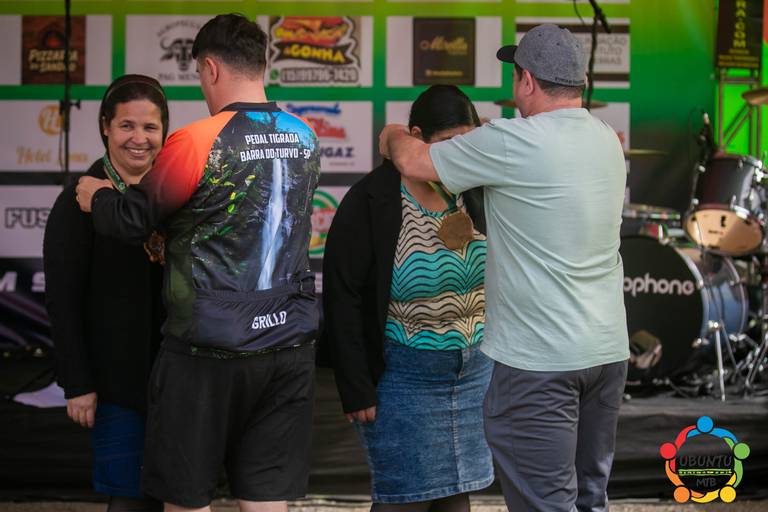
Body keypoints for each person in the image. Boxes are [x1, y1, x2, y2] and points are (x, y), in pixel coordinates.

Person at [74, 14, 321, 512]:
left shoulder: (197, 139)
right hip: (287, 341)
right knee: (267, 497)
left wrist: (96, 195)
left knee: (187, 497)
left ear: (210, 68)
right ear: (262, 63)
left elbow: (132, 219)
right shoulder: (305, 135)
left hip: (207, 349)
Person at [379, 24, 630, 512]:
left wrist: (391, 133)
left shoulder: (513, 142)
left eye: (515, 76)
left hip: (540, 363)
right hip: (606, 354)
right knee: (589, 500)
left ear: (527, 81)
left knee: (545, 504)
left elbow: (413, 162)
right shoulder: (605, 138)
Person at [323, 85, 492, 512]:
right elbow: (342, 297)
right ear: (416, 137)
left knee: (456, 495)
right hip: (403, 382)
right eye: (449, 143)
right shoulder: (371, 200)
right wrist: (356, 387)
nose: (461, 154)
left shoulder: (474, 188)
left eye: (468, 142)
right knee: (404, 499)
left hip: (474, 377)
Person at [44, 74, 169, 512]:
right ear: (105, 127)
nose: (139, 138)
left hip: (181, 381)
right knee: (129, 499)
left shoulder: (175, 194)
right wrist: (77, 382)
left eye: (150, 127)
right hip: (115, 385)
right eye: (126, 125)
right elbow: (62, 301)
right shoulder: (77, 202)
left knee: (178, 496)